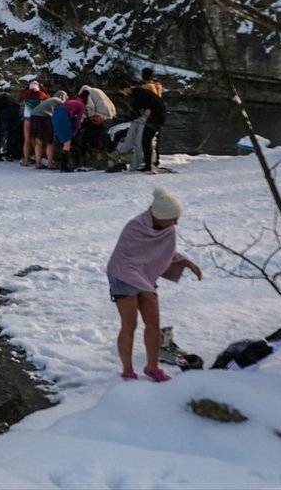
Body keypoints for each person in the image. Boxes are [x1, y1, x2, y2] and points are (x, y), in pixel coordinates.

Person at [106, 188, 202, 382]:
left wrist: (186, 261)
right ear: (159, 216)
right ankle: (127, 371)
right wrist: (144, 286)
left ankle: (152, 367)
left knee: (153, 323)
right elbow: (127, 259)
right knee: (129, 324)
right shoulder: (134, 227)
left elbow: (161, 252)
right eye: (172, 219)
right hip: (122, 274)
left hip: (143, 277)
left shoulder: (168, 229)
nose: (175, 223)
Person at [124, 78, 167, 172]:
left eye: (123, 91)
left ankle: (149, 165)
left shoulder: (138, 94)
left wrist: (148, 109)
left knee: (145, 140)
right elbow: (137, 110)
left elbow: (140, 107)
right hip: (157, 116)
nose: (123, 94)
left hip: (156, 118)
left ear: (126, 88)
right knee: (147, 140)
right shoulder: (138, 92)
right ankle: (150, 163)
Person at [52, 90, 89, 172]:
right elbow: (78, 120)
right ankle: (64, 166)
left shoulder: (72, 101)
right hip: (63, 117)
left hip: (55, 115)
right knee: (67, 143)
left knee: (64, 141)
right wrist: (76, 129)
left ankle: (64, 165)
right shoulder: (82, 105)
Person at [30, 90, 67, 169]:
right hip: (44, 117)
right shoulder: (60, 101)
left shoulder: (49, 100)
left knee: (38, 141)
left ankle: (38, 163)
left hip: (33, 116)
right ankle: (50, 164)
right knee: (50, 142)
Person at [17, 80, 49, 166]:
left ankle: (26, 160)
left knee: (26, 140)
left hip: (27, 119)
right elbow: (49, 98)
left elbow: (18, 100)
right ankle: (38, 162)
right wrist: (43, 89)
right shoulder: (42, 94)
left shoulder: (26, 94)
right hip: (38, 119)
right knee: (38, 141)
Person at [0, 87, 21, 160]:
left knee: (0, 134)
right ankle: (10, 153)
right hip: (15, 112)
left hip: (4, 112)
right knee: (12, 134)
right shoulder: (11, 99)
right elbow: (18, 106)